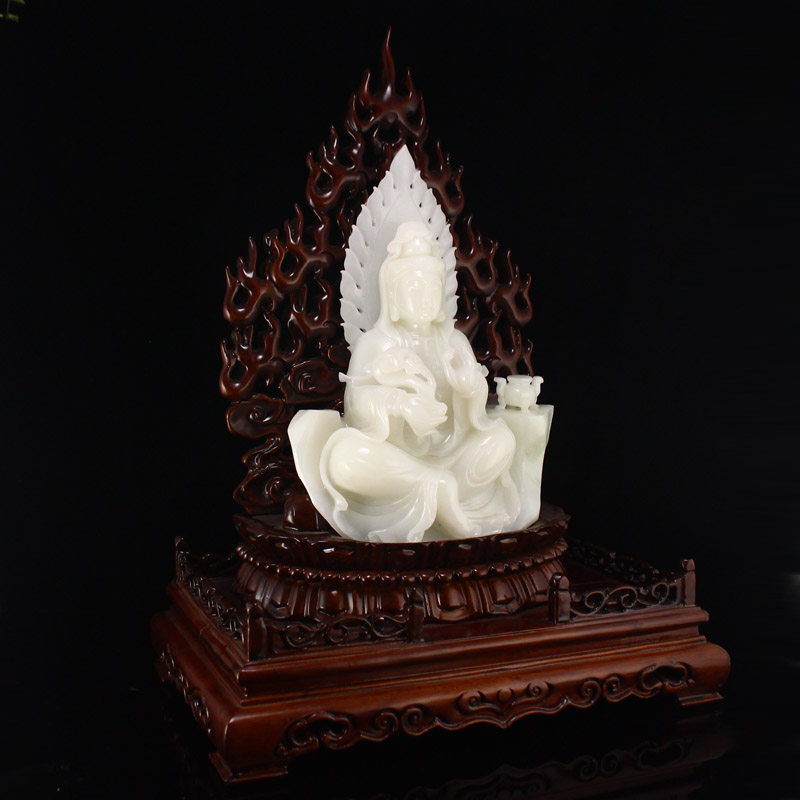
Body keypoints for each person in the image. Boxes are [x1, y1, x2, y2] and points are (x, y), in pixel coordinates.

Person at [289, 221, 548, 542]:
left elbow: (476, 409)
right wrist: (399, 405)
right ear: (393, 296)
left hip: (451, 454)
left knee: (502, 439)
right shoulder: (376, 343)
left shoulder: (454, 342)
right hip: (396, 458)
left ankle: (439, 489)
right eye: (414, 288)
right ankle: (435, 489)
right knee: (343, 457)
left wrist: (469, 389)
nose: (425, 297)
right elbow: (356, 406)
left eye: (431, 288)